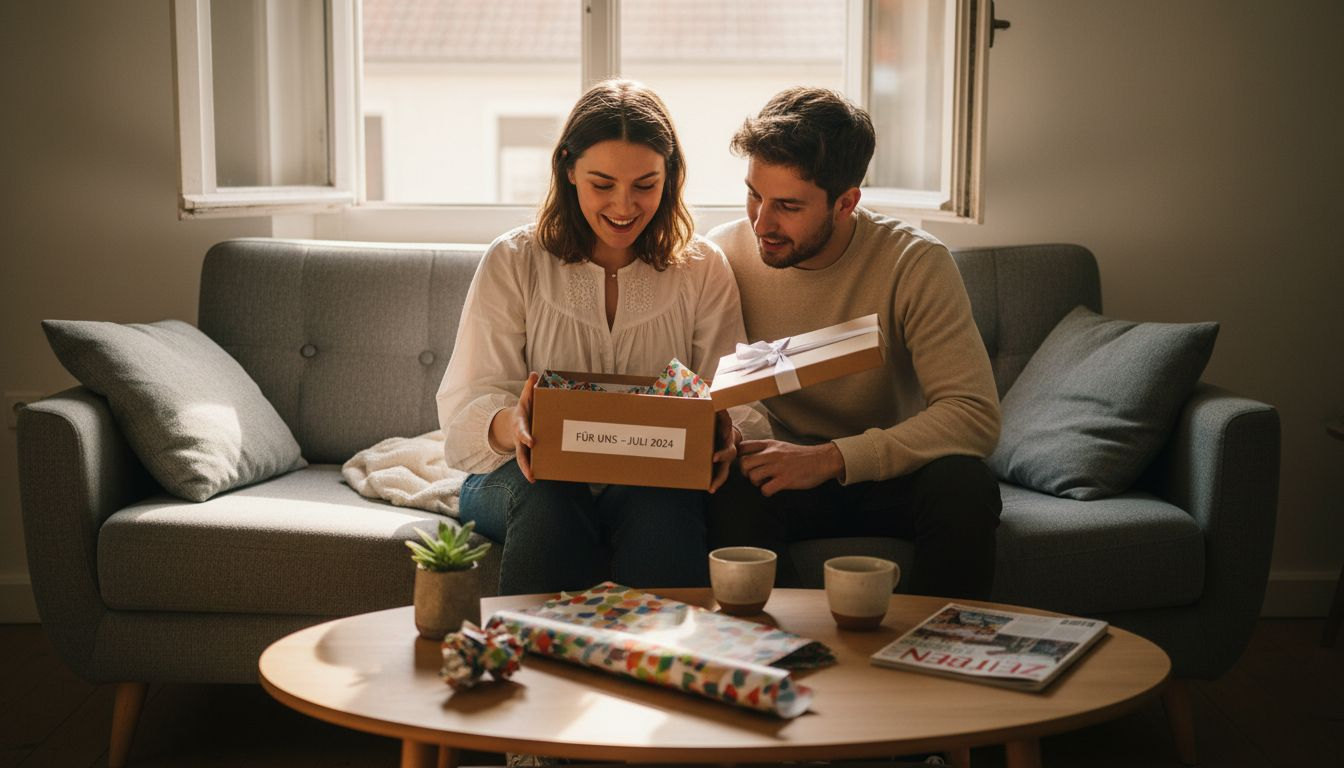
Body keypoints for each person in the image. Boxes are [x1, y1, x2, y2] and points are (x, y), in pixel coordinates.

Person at [437, 80, 754, 596]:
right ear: (568, 169)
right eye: (601, 184)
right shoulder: (514, 260)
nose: (624, 206)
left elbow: (736, 400)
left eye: (645, 185)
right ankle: (533, 667)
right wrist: (512, 424)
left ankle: (664, 667)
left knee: (665, 503)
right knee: (551, 499)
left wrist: (724, 436)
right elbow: (463, 411)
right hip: (520, 476)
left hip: (649, 476)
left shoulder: (702, 268)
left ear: (670, 176)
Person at [707, 87, 1003, 600]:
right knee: (725, 490)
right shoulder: (722, 255)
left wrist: (832, 458)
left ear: (846, 202)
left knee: (966, 484)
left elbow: (973, 414)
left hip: (891, 469)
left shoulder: (914, 263)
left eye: (788, 206)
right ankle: (786, 652)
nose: (762, 222)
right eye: (755, 194)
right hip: (775, 469)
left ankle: (943, 657)